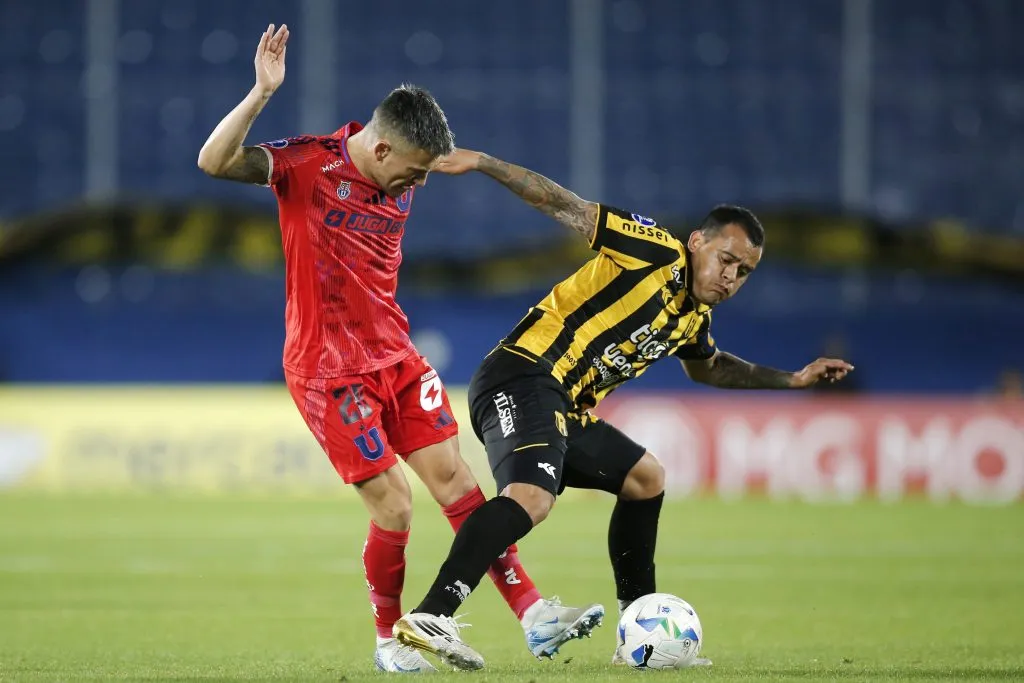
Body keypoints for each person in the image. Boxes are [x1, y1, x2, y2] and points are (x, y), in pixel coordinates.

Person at [197, 25, 601, 673]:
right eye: (414, 171)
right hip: (328, 370)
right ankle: (390, 639)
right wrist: (260, 93)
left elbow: (433, 173)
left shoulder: (402, 174)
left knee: (459, 481)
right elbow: (214, 163)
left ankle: (533, 614)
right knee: (394, 502)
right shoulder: (306, 165)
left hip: (397, 357)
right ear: (381, 147)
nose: (418, 184)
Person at [393, 148, 854, 669]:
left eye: (744, 272)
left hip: (562, 406)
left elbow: (709, 368)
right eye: (726, 260)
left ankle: (638, 633)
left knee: (645, 478)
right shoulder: (653, 250)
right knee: (532, 498)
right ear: (697, 242)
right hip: (524, 373)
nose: (731, 277)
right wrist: (483, 162)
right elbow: (563, 204)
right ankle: (432, 615)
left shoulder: (692, 319)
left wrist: (793, 379)